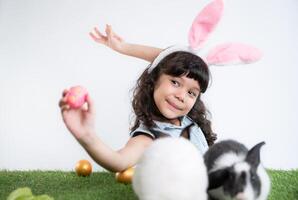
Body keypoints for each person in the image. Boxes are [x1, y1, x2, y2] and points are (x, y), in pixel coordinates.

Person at [59, 24, 217, 173]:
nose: (181, 96)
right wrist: (87, 137)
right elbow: (118, 161)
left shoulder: (188, 120)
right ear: (155, 79)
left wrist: (123, 47)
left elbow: (167, 59)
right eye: (175, 83)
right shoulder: (151, 137)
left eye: (191, 93)